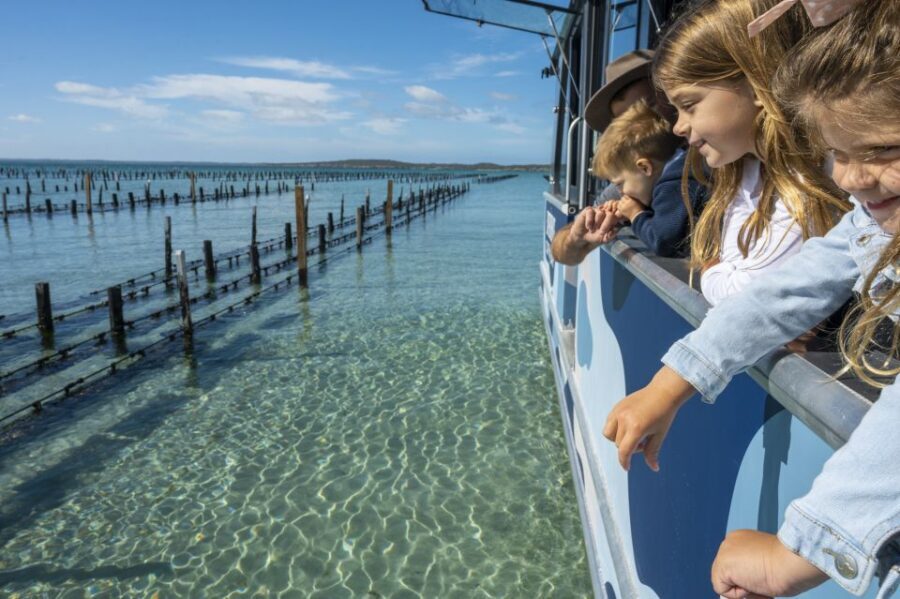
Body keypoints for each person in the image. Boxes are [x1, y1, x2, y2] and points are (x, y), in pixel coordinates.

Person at [601, 1, 900, 596]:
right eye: (836, 151)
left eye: (882, 149)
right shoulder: (871, 218)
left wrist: (802, 549)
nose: (846, 178)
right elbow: (787, 290)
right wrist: (672, 383)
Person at [551, 50, 660, 265]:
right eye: (625, 120)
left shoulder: (716, 162)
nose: (642, 124)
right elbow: (565, 255)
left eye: (650, 107)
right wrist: (577, 234)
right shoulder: (631, 185)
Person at [589, 99, 706, 256]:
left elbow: (662, 241)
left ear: (645, 167)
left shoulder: (674, 184)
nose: (621, 192)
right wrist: (626, 214)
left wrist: (636, 215)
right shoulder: (681, 169)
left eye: (620, 184)